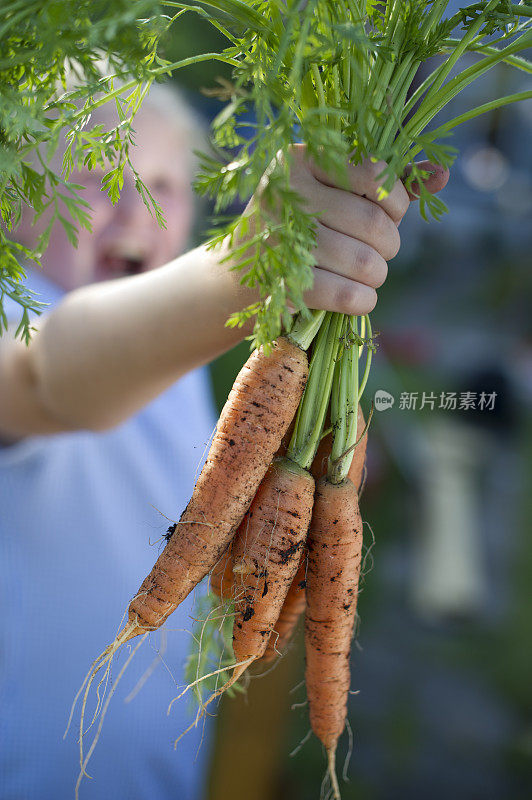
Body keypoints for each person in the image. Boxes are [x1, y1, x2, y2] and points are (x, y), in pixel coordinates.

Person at [0, 80, 449, 800]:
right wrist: (252, 260)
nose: (133, 215)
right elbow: (48, 374)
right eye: (94, 180)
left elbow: (227, 481)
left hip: (156, 775)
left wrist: (335, 461)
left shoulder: (178, 357)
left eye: (164, 187)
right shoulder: (19, 318)